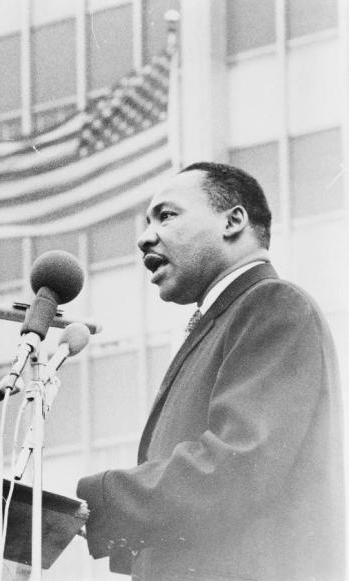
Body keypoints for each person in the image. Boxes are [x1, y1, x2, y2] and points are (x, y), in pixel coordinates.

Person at [77, 162, 345, 581]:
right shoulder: (229, 318)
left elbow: (239, 465)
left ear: (233, 220)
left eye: (166, 215)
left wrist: (95, 502)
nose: (144, 237)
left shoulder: (272, 304)